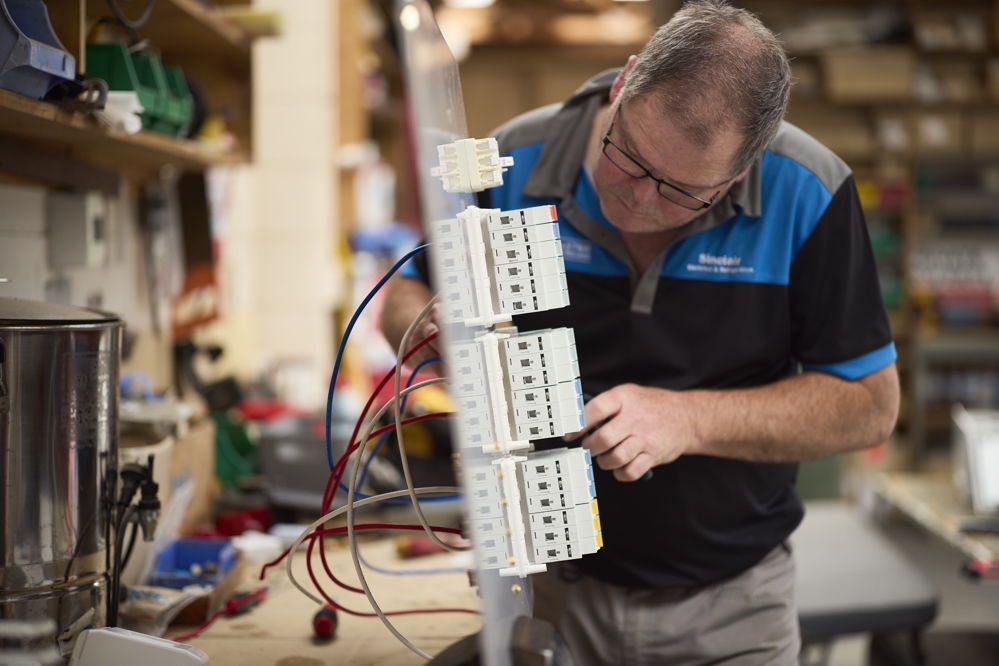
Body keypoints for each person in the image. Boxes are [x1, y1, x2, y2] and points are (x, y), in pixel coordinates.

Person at [382, 1, 900, 663]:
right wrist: (434, 328)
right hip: (548, 594)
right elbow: (404, 289)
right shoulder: (516, 159)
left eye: (683, 192)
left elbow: (868, 407)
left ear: (743, 170)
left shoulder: (809, 194)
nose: (639, 203)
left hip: (733, 608)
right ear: (623, 84)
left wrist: (687, 421)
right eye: (627, 159)